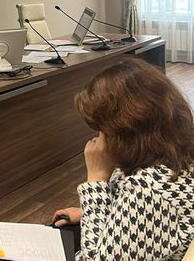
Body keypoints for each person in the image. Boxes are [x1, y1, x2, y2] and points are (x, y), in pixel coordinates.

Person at [52, 58, 194, 260]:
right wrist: (90, 213)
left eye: (103, 129)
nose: (99, 138)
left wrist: (96, 180)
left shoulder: (148, 191)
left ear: (125, 132)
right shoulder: (173, 149)